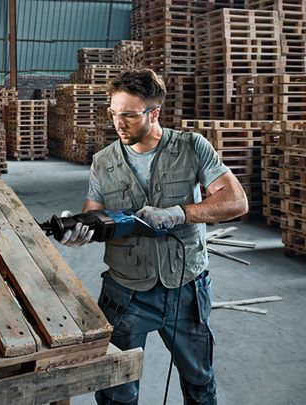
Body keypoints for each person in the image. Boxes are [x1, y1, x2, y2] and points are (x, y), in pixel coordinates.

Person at [59, 68, 248, 405]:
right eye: (114, 113)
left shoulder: (191, 148)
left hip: (185, 289)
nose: (119, 123)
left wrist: (181, 213)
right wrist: (79, 231)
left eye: (129, 115)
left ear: (154, 113)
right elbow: (94, 215)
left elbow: (236, 201)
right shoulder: (103, 162)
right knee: (116, 389)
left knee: (200, 382)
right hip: (125, 293)